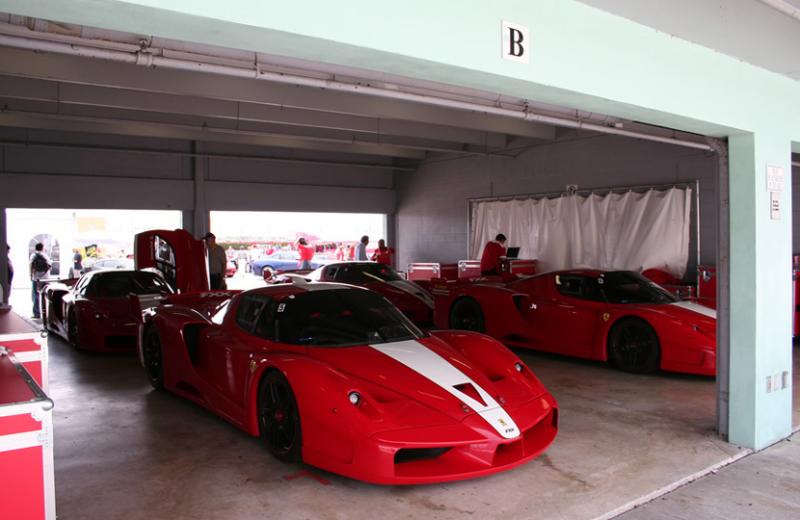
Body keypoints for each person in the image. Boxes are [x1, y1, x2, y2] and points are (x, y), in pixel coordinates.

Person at [29, 242, 51, 318]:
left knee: (36, 295)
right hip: (45, 278)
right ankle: (46, 313)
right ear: (42, 248)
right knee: (46, 295)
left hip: (36, 278)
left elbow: (31, 265)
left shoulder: (34, 255)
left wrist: (31, 275)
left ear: (36, 248)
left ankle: (37, 313)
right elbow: (49, 266)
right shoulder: (45, 256)